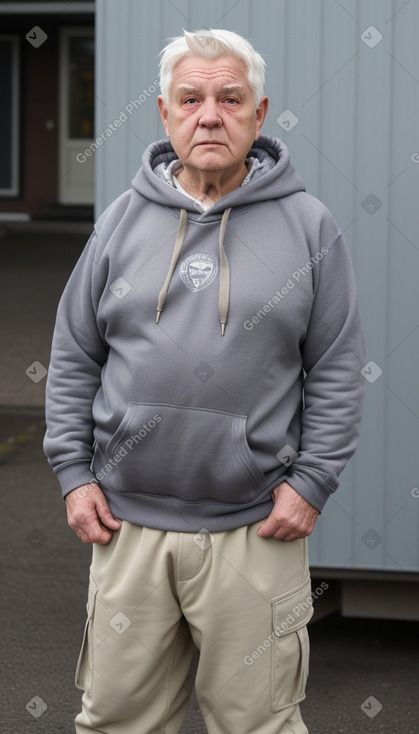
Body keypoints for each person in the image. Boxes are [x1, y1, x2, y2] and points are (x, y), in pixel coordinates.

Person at [44, 28, 366, 734]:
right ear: (164, 113)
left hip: (256, 528)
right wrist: (74, 472)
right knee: (117, 721)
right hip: (125, 526)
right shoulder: (118, 225)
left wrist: (309, 483)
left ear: (260, 111)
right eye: (190, 99)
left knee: (258, 723)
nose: (209, 115)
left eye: (229, 97)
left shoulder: (309, 227)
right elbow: (73, 355)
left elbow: (338, 367)